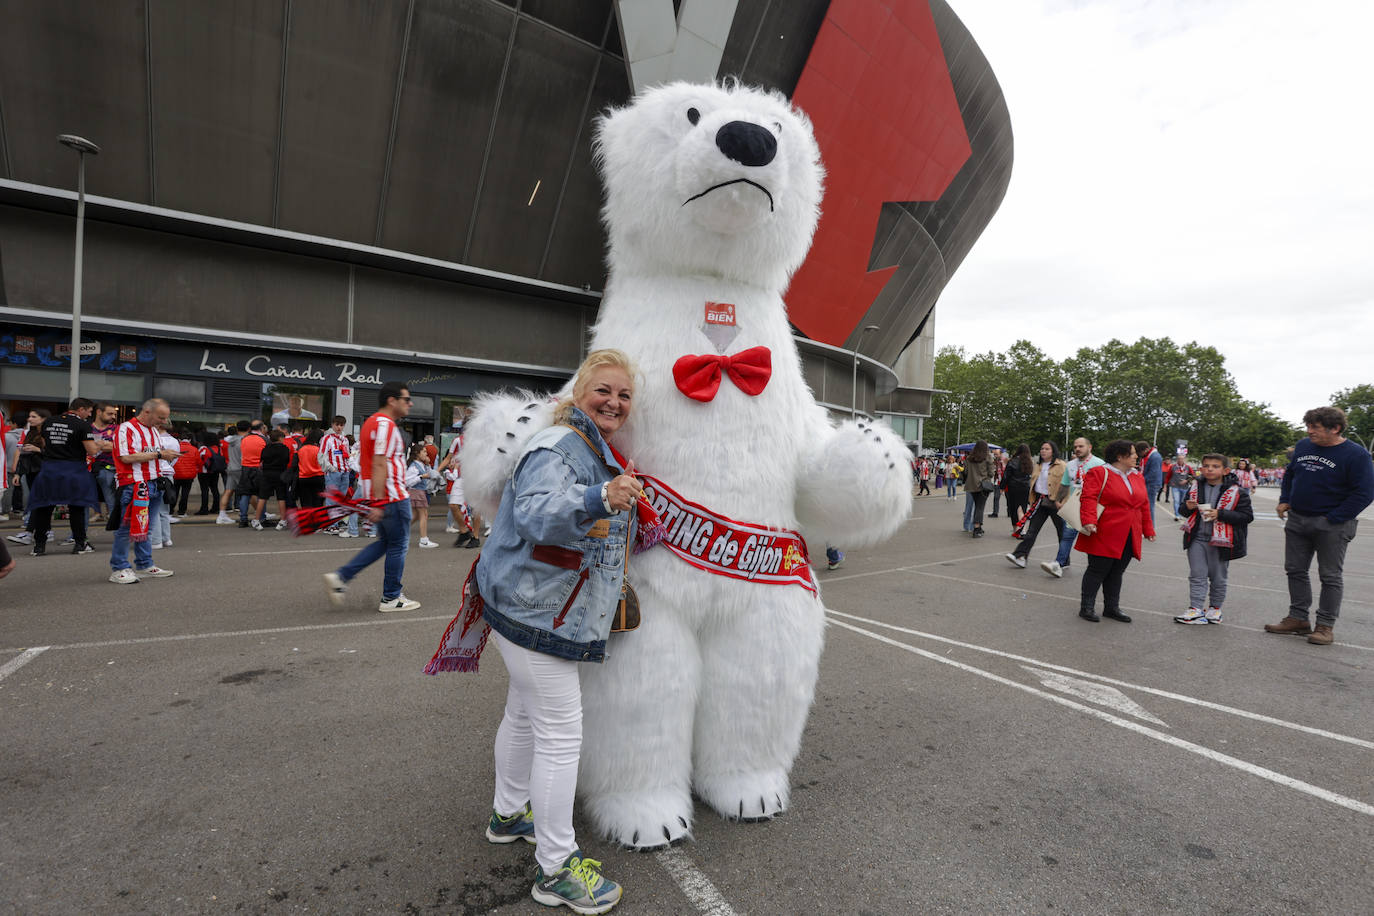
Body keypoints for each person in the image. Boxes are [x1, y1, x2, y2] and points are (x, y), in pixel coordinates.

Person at [470, 349, 638, 913]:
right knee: (561, 737)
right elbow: (540, 514)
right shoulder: (562, 445)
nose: (614, 402)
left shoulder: (585, 443)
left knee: (522, 714)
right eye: (604, 391)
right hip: (538, 613)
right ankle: (556, 870)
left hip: (524, 606)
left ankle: (508, 813)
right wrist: (600, 496)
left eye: (624, 395)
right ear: (580, 391)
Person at [1264, 407, 1374, 646]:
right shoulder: (1303, 446)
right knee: (1295, 570)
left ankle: (1325, 626)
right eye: (1308, 426)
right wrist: (1285, 499)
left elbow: (1364, 493)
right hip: (1298, 519)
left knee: (1330, 576)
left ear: (1335, 428)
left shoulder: (1356, 455)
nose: (1309, 431)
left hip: (1332, 524)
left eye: (1315, 427)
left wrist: (1334, 518)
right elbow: (1290, 475)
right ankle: (1298, 618)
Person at [322, 382, 421, 612]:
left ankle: (342, 578)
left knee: (386, 543)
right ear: (392, 400)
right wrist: (378, 502)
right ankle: (391, 598)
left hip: (382, 494)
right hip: (392, 494)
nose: (410, 403)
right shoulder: (385, 425)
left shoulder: (371, 423)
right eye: (406, 399)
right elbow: (379, 463)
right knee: (398, 545)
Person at [1074, 439, 1156, 622]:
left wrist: (1148, 529)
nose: (1137, 456)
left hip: (1129, 532)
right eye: (1133, 453)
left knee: (1117, 571)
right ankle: (1086, 607)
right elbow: (1088, 497)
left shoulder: (1137, 476)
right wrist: (1088, 520)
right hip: (1103, 530)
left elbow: (1143, 505)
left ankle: (1112, 607)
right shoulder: (1099, 472)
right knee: (1097, 569)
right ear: (1120, 456)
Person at [1175, 454, 1253, 625]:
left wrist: (1221, 514)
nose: (1210, 469)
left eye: (1215, 466)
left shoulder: (1237, 492)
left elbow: (1247, 516)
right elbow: (1183, 511)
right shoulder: (1195, 487)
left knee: (1218, 577)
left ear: (1225, 470)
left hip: (1221, 541)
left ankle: (1215, 608)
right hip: (1197, 538)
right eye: (1206, 466)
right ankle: (1195, 608)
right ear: (1201, 469)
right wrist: (1186, 508)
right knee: (1197, 574)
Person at [108, 399, 177, 584]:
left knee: (146, 528)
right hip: (133, 484)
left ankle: (144, 564)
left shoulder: (153, 430)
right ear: (147, 412)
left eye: (165, 418)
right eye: (160, 417)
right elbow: (126, 457)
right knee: (126, 529)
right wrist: (160, 454)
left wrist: (162, 454)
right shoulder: (126, 428)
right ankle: (119, 567)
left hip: (152, 483)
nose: (163, 422)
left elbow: (150, 453)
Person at [26, 398, 102, 556]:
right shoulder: (82, 425)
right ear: (80, 409)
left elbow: (45, 443)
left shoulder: (49, 421)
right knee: (76, 508)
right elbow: (92, 451)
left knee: (44, 508)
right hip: (73, 470)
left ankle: (39, 546)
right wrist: (100, 445)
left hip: (49, 469)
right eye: (88, 411)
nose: (89, 414)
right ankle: (80, 544)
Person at [1043, 437, 1106, 578]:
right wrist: (1058, 499)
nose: (1077, 449)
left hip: (1093, 509)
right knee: (1067, 536)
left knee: (1093, 540)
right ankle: (1058, 564)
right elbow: (1065, 484)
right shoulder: (1070, 465)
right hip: (1075, 507)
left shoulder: (1100, 464)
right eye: (1075, 446)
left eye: (1081, 446)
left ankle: (1097, 569)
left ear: (1089, 447)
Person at [1005, 441, 1068, 570]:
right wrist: (1032, 501)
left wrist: (1062, 501)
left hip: (1055, 502)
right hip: (1040, 502)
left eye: (1047, 449)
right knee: (1031, 531)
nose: (1043, 451)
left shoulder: (1061, 465)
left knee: (1062, 532)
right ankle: (1020, 556)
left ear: (1053, 451)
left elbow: (1067, 485)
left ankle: (1064, 560)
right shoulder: (1038, 465)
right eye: (1042, 448)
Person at [320, 415, 358, 538]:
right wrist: (331, 468)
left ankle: (336, 521)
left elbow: (347, 454)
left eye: (341, 425)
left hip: (345, 471)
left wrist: (349, 467)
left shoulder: (345, 440)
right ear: (332, 424)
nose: (339, 427)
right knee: (332, 498)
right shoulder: (327, 439)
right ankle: (330, 525)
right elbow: (321, 456)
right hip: (334, 472)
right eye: (337, 424)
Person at [255, 428, 295, 530]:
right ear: (280, 438)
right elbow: (286, 461)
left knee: (262, 497)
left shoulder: (266, 448)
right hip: (280, 474)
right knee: (281, 498)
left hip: (267, 474)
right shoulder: (285, 449)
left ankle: (256, 520)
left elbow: (261, 461)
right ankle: (282, 520)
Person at [89, 402, 119, 521]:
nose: (113, 417)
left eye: (114, 414)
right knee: (91, 494)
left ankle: (113, 520)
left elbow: (119, 447)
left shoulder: (117, 429)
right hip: (88, 467)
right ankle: (97, 513)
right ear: (99, 412)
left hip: (109, 467)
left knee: (110, 496)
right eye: (110, 413)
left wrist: (96, 445)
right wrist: (103, 445)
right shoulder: (87, 427)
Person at [406, 442, 439, 548]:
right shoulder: (414, 466)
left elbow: (430, 473)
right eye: (424, 452)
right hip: (416, 492)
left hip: (419, 491)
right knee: (423, 514)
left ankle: (398, 531)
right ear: (417, 453)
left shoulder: (420, 464)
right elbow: (407, 481)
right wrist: (421, 477)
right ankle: (424, 540)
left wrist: (428, 465)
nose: (426, 454)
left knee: (415, 516)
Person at [235, 421, 268, 528]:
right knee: (261, 495)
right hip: (259, 469)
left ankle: (243, 519)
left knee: (245, 494)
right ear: (261, 428)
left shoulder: (244, 439)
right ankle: (262, 518)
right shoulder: (264, 439)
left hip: (245, 468)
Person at [961, 440, 995, 538]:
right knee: (980, 507)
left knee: (977, 505)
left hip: (971, 486)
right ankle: (976, 528)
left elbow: (966, 472)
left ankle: (978, 527)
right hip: (983, 486)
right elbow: (991, 473)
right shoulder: (987, 457)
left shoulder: (969, 458)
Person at [294, 428, 326, 509]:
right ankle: (316, 520)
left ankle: (307, 520)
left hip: (304, 478)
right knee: (317, 503)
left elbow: (296, 464)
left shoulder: (301, 449)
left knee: (306, 503)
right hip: (318, 478)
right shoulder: (319, 450)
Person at [1003, 443, 1033, 528]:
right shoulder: (1029, 462)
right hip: (1025, 487)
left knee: (1013, 508)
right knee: (1022, 508)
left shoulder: (1012, 461)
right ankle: (1022, 528)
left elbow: (1006, 475)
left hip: (1013, 488)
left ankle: (1017, 529)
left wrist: (1002, 487)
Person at [1134, 440, 1163, 523]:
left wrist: (1140, 479)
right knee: (1148, 506)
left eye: (1140, 452)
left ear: (1146, 449)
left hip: (1152, 484)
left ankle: (1150, 528)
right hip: (1151, 483)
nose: (1140, 455)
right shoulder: (1151, 456)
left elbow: (1153, 473)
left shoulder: (1155, 457)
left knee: (1149, 507)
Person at [196, 430, 224, 514]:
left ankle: (204, 509)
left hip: (204, 472)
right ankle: (216, 508)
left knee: (204, 490)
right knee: (215, 489)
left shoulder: (204, 448)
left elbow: (198, 459)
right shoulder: (219, 449)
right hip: (215, 471)